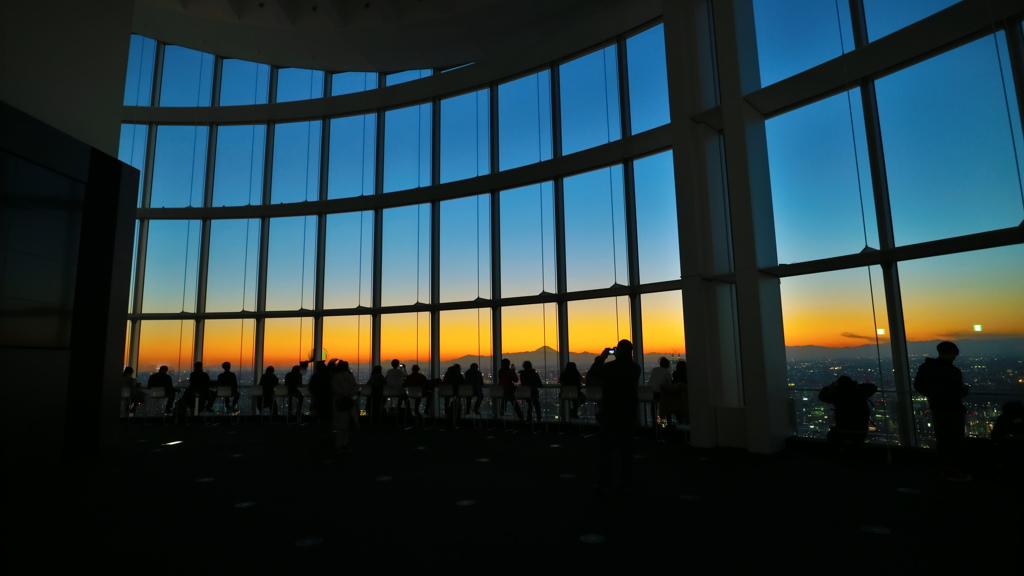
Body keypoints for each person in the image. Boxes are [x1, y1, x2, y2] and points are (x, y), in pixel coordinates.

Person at [588, 339, 642, 494]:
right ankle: (626, 483)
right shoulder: (636, 368)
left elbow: (594, 373)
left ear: (618, 351)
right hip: (629, 413)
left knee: (606, 452)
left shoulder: (610, 368)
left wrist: (602, 357)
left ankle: (604, 484)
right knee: (627, 452)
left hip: (610, 412)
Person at [913, 341, 970, 481]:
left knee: (943, 439)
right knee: (956, 440)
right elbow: (958, 392)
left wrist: (934, 394)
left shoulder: (926, 367)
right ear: (951, 353)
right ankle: (952, 470)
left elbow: (918, 385)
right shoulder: (953, 371)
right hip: (953, 409)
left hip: (937, 407)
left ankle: (943, 468)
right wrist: (964, 391)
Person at [818, 375, 878, 444]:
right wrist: (856, 385)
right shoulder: (860, 392)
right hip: (861, 430)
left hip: (843, 429)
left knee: (831, 436)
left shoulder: (837, 394)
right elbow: (873, 387)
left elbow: (822, 396)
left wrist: (829, 387)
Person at [331, 360, 360, 453]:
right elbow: (355, 387)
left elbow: (336, 389)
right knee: (347, 425)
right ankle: (344, 444)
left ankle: (339, 444)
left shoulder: (336, 377)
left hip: (340, 402)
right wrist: (352, 394)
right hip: (349, 402)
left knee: (341, 425)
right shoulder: (350, 376)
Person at [646, 357, 672, 426]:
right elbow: (669, 384)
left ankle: (654, 423)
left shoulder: (655, 369)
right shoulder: (666, 372)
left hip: (650, 392)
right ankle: (669, 423)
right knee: (667, 405)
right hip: (659, 393)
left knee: (653, 407)